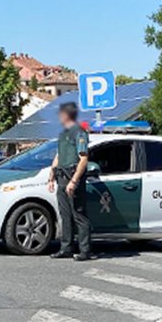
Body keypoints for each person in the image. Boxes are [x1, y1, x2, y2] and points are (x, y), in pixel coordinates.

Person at [48, 103, 95, 261]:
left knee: (79, 215)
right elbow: (58, 156)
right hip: (61, 175)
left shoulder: (79, 132)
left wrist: (74, 181)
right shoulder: (63, 134)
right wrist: (51, 176)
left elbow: (83, 159)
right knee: (65, 215)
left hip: (72, 176)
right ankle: (66, 248)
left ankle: (84, 250)